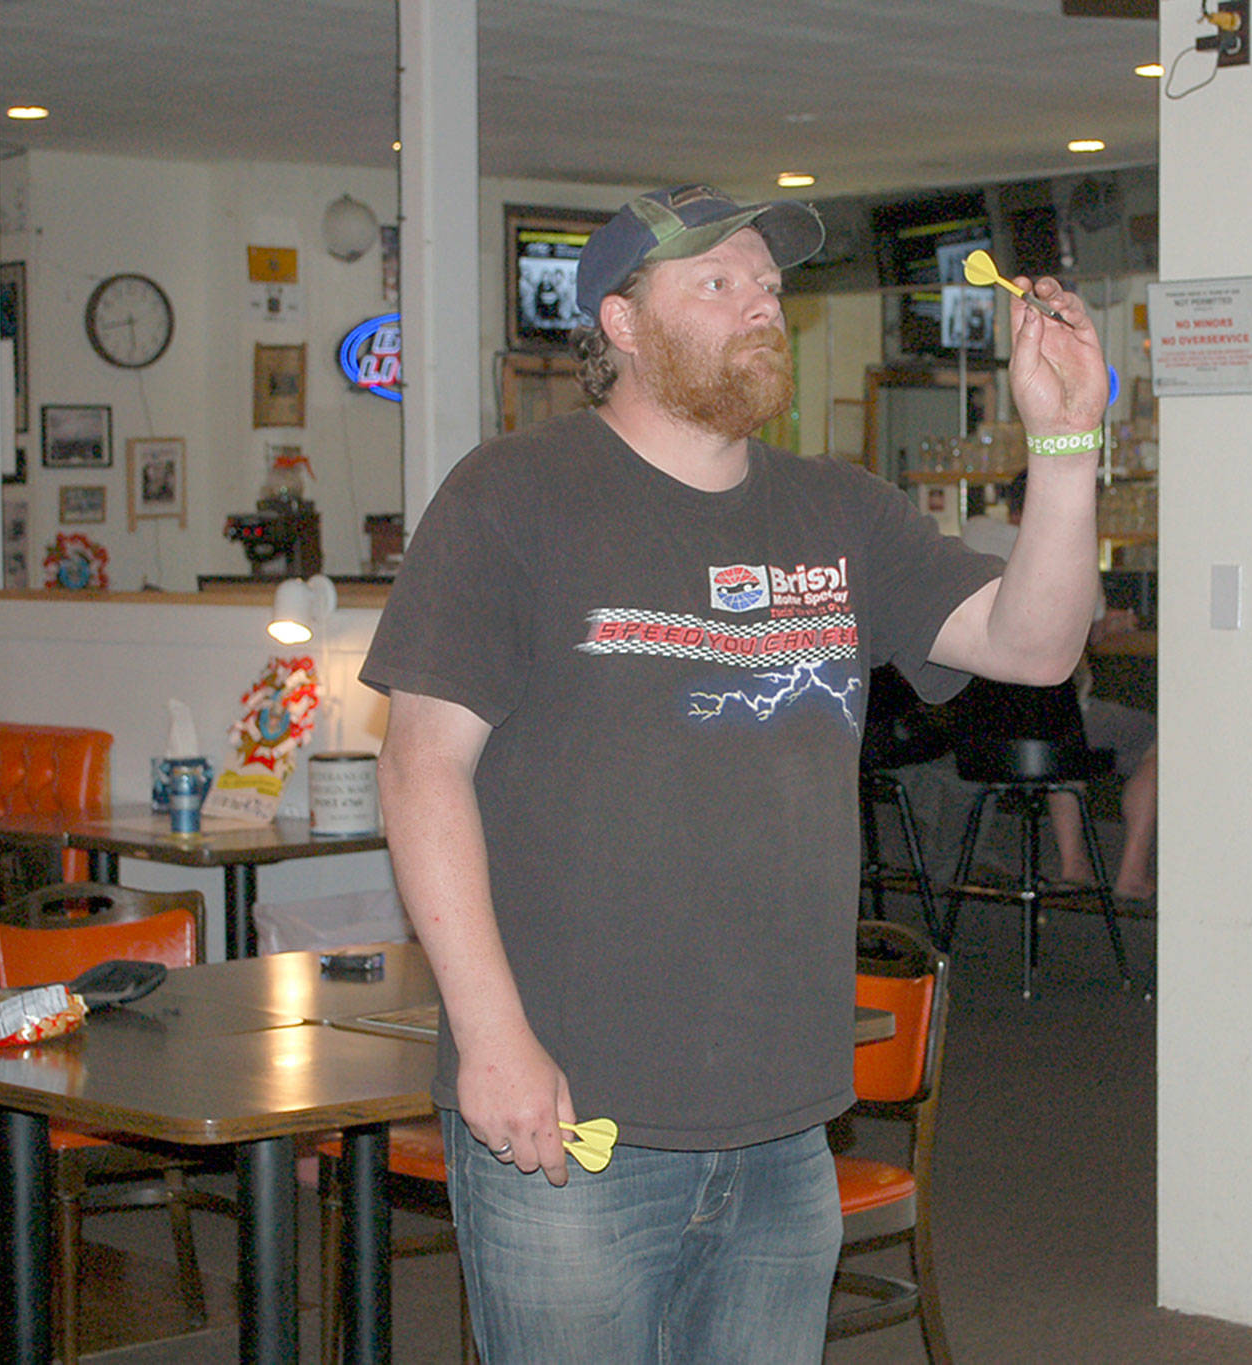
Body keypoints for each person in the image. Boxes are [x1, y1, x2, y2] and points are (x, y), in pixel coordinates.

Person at [359, 183, 1112, 1362]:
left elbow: (1035, 643)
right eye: (718, 283)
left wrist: (1066, 444)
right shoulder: (512, 496)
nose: (761, 305)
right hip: (573, 1106)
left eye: (767, 286)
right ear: (618, 322)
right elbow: (419, 773)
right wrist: (491, 1036)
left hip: (785, 1111)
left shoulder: (838, 510)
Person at [963, 470, 1157, 901]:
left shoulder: (970, 535)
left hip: (979, 728)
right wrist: (1111, 624)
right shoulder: (1071, 552)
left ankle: (1074, 864)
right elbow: (1088, 630)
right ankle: (1130, 875)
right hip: (1056, 722)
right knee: (1161, 738)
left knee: (1056, 723)